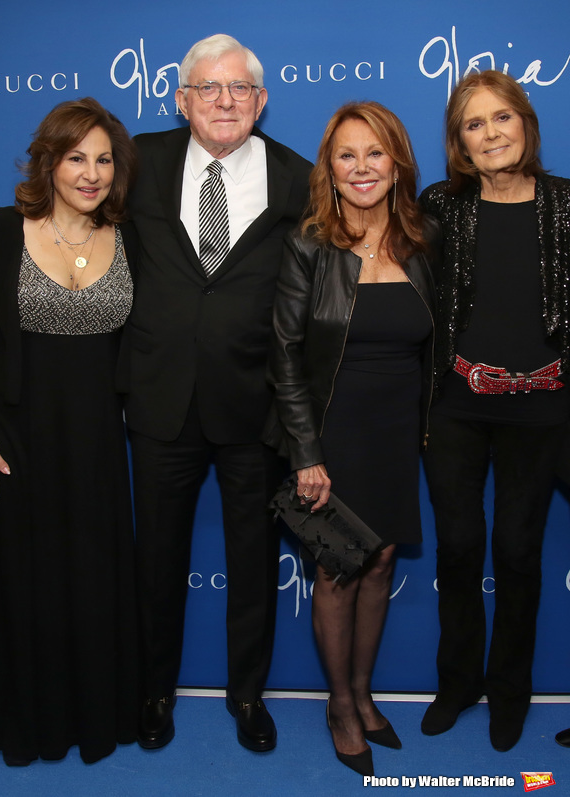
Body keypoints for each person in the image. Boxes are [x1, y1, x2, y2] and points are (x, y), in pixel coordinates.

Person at [121, 33, 311, 752]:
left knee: (254, 562)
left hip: (253, 403)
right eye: (209, 87)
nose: (225, 100)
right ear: (182, 99)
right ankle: (154, 691)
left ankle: (247, 696)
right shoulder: (138, 162)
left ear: (260, 101)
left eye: (239, 89)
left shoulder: (297, 177)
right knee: (157, 559)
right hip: (159, 400)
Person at [263, 101, 437, 775]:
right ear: (328, 169)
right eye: (346, 155)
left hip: (397, 430)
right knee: (337, 568)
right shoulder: (310, 242)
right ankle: (339, 703)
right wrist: (307, 452)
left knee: (384, 559)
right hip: (332, 430)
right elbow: (283, 350)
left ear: (396, 162)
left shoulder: (421, 239)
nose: (362, 167)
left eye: (375, 153)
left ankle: (364, 693)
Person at [0, 97, 139, 766]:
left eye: (103, 159)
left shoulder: (129, 238)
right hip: (14, 439)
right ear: (49, 160)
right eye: (76, 157)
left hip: (97, 441)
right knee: (24, 581)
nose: (91, 173)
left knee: (92, 579)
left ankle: (95, 713)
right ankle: (26, 716)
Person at [419, 70, 570, 752]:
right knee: (457, 548)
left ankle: (510, 691)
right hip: (455, 406)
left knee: (517, 551)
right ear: (459, 142)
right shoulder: (440, 205)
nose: (490, 134)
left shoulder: (567, 203)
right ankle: (458, 685)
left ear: (525, 124)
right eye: (473, 125)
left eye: (501, 118)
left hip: (543, 410)